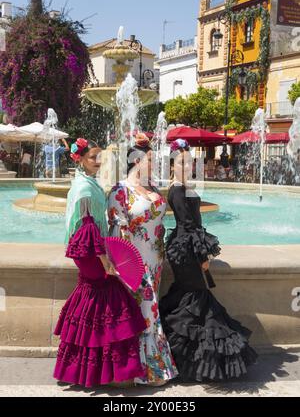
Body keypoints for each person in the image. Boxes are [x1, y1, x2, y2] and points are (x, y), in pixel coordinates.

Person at [159, 139, 257, 382]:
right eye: (182, 162)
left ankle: (178, 356)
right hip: (186, 250)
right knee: (196, 296)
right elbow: (190, 225)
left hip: (187, 246)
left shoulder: (186, 187)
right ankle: (188, 357)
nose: (187, 165)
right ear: (173, 164)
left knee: (190, 296)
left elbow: (196, 224)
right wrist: (203, 255)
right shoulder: (178, 190)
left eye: (190, 162)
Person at [53, 138, 147, 388]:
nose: (97, 161)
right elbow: (87, 226)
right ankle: (104, 369)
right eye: (93, 157)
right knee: (106, 299)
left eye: (99, 157)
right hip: (91, 250)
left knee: (92, 302)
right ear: (80, 159)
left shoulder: (86, 183)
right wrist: (105, 260)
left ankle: (85, 368)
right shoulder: (84, 188)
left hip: (90, 248)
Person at [108, 133, 178, 386]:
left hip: (156, 261)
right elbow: (117, 231)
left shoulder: (153, 188)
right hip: (135, 262)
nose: (154, 164)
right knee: (145, 312)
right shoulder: (120, 191)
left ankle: (145, 369)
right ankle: (144, 372)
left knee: (149, 309)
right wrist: (126, 266)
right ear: (137, 160)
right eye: (150, 159)